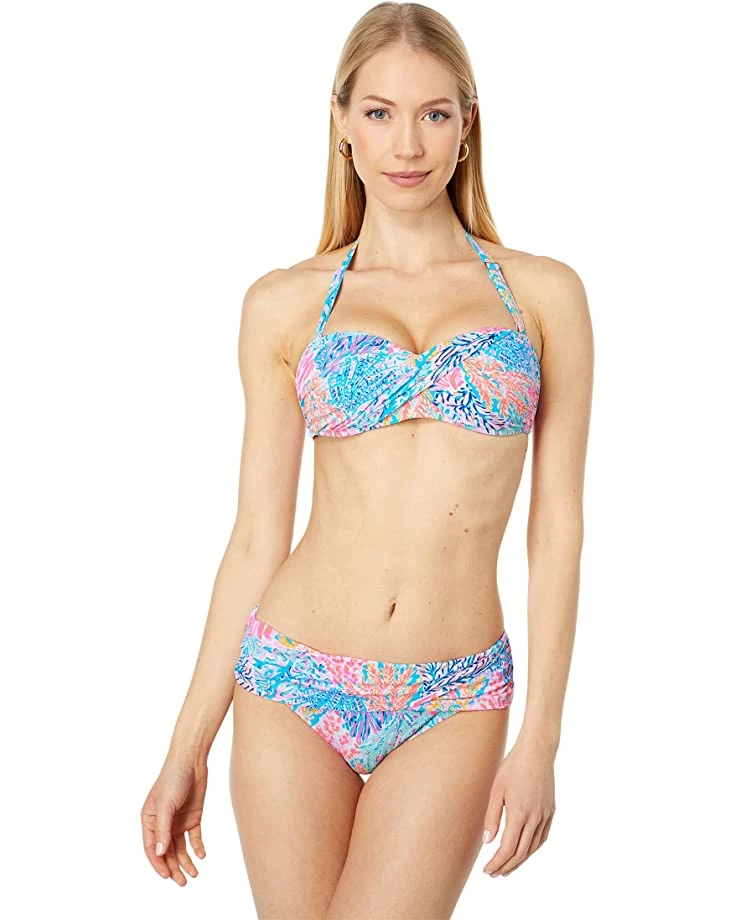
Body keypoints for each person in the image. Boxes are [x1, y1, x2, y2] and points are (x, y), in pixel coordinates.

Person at [140, 2, 593, 916]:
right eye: (380, 112)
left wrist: (542, 737)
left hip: (454, 695)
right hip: (291, 678)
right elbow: (255, 538)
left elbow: (557, 527)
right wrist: (187, 743)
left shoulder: (544, 296)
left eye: (434, 113)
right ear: (342, 122)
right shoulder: (283, 303)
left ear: (468, 124)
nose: (407, 144)